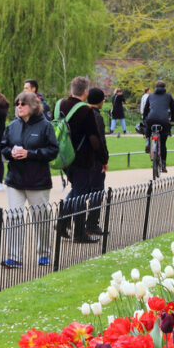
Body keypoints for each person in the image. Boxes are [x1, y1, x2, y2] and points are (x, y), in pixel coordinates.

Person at [0, 91, 59, 268]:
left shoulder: (45, 126)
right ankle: (15, 256)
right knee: (14, 217)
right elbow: (3, 147)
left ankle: (44, 253)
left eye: (23, 104)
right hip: (15, 179)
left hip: (37, 181)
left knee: (40, 218)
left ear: (33, 106)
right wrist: (10, 153)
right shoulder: (12, 126)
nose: (19, 107)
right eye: (17, 103)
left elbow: (52, 150)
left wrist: (30, 154)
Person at [58, 75, 109, 243]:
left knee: (76, 191)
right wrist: (103, 158)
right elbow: (94, 138)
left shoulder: (60, 105)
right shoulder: (85, 110)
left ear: (71, 90)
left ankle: (63, 222)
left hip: (65, 156)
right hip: (81, 158)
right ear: (85, 92)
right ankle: (79, 233)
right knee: (80, 195)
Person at [84, 87, 110, 236]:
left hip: (84, 158)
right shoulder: (96, 117)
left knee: (81, 191)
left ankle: (68, 220)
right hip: (94, 159)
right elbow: (100, 140)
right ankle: (92, 223)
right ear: (100, 101)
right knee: (97, 191)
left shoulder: (84, 113)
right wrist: (104, 159)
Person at [141, 80, 174, 172]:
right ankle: (163, 165)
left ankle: (148, 141)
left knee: (148, 125)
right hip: (164, 120)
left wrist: (144, 118)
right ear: (165, 87)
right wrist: (172, 119)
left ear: (155, 87)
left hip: (151, 119)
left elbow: (146, 109)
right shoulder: (168, 96)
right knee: (163, 143)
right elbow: (173, 109)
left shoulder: (151, 96)